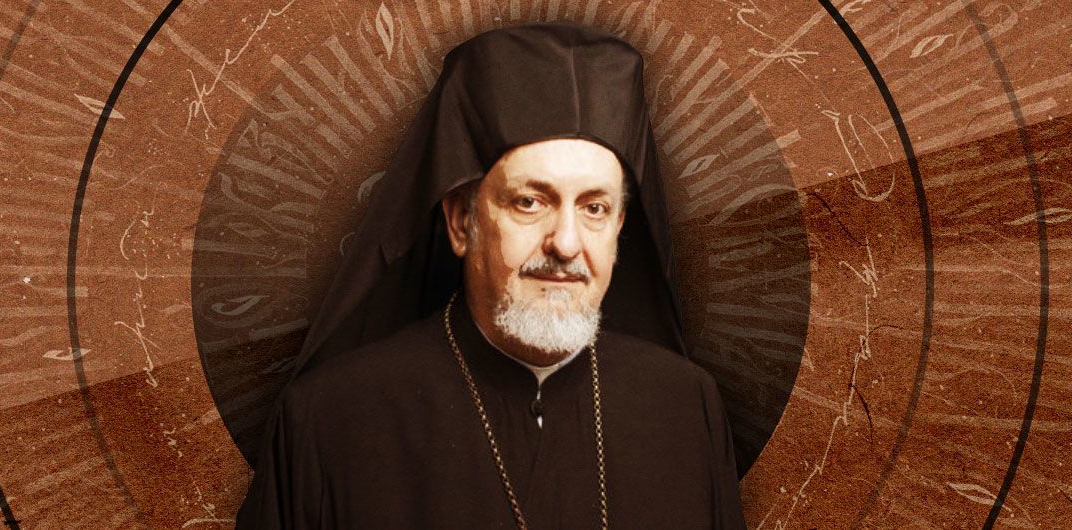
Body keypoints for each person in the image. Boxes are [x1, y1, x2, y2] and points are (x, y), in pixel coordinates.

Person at [237, 21, 746, 529]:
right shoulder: (327, 420)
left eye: (594, 208)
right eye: (530, 202)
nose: (566, 244)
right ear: (463, 222)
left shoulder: (688, 407)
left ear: (618, 227)